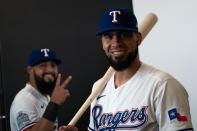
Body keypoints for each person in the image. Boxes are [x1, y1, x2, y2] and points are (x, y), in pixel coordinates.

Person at [88, 8, 193, 131]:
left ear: (138, 38)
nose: (116, 43)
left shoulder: (163, 85)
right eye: (108, 36)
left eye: (124, 35)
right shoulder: (98, 87)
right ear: (102, 43)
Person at [10, 48, 78, 131]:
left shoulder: (45, 96)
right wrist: (54, 103)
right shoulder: (23, 100)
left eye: (53, 65)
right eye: (43, 65)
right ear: (29, 70)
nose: (49, 70)